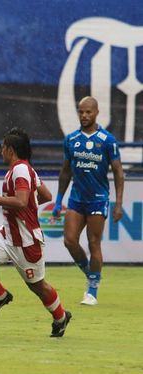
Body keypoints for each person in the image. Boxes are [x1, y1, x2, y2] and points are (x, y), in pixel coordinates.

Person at [0, 128, 72, 337]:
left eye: (2, 148)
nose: (1, 152)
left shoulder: (21, 171)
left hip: (26, 241)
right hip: (6, 234)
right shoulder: (22, 169)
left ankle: (61, 317)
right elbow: (44, 195)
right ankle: (1, 295)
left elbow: (23, 201)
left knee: (38, 287)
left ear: (10, 150)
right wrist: (29, 207)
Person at [53, 96, 125, 306]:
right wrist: (58, 200)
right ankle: (90, 273)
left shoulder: (107, 140)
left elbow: (119, 173)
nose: (84, 116)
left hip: (98, 200)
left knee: (94, 243)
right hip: (76, 199)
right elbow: (65, 172)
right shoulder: (71, 139)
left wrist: (118, 204)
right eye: (81, 112)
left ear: (96, 112)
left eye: (88, 112)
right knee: (70, 241)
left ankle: (92, 290)